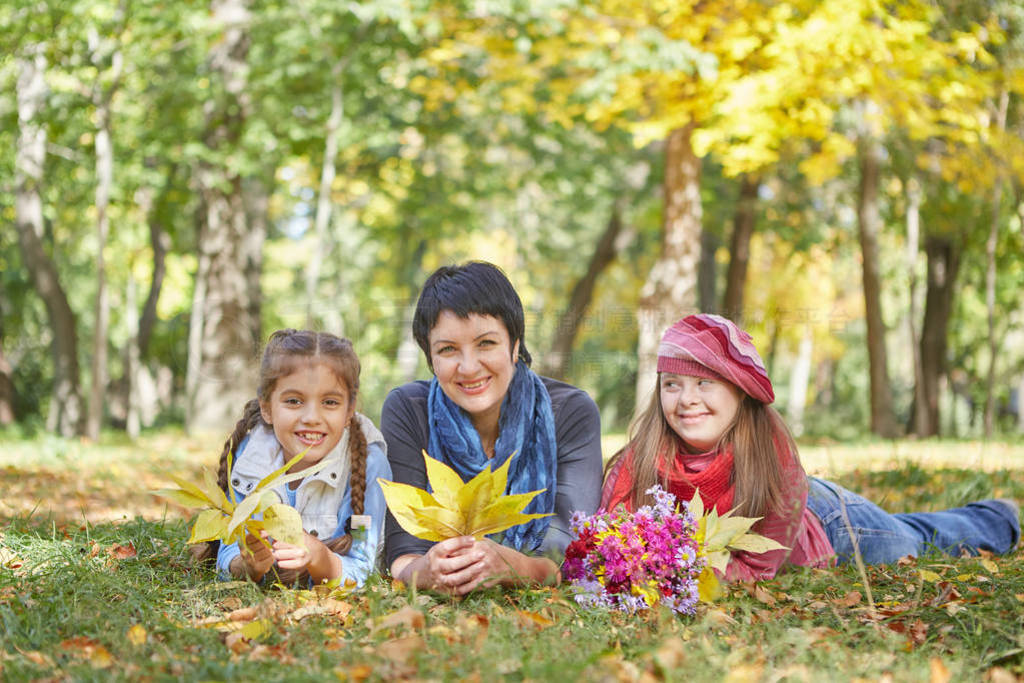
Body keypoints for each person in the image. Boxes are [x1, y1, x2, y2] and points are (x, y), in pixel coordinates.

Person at [602, 314, 1020, 581]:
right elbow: (607, 538)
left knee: (913, 542)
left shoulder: (770, 454)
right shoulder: (639, 459)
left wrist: (672, 569)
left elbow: (758, 568)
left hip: (828, 521)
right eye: (672, 385)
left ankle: (996, 519)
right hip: (782, 525)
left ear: (741, 391)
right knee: (910, 528)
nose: (686, 399)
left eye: (704, 383)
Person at [382, 262, 603, 594]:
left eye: (486, 343)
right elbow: (402, 550)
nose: (469, 367)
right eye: (448, 349)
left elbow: (567, 550)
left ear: (515, 346)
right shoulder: (407, 409)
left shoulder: (570, 412)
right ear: (431, 359)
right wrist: (427, 571)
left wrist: (513, 567)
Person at [213, 329, 391, 587]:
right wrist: (248, 565)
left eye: (330, 402)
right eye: (294, 401)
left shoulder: (368, 464)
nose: (311, 417)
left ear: (349, 410)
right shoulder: (250, 457)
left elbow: (364, 567)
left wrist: (320, 558)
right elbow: (227, 552)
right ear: (267, 407)